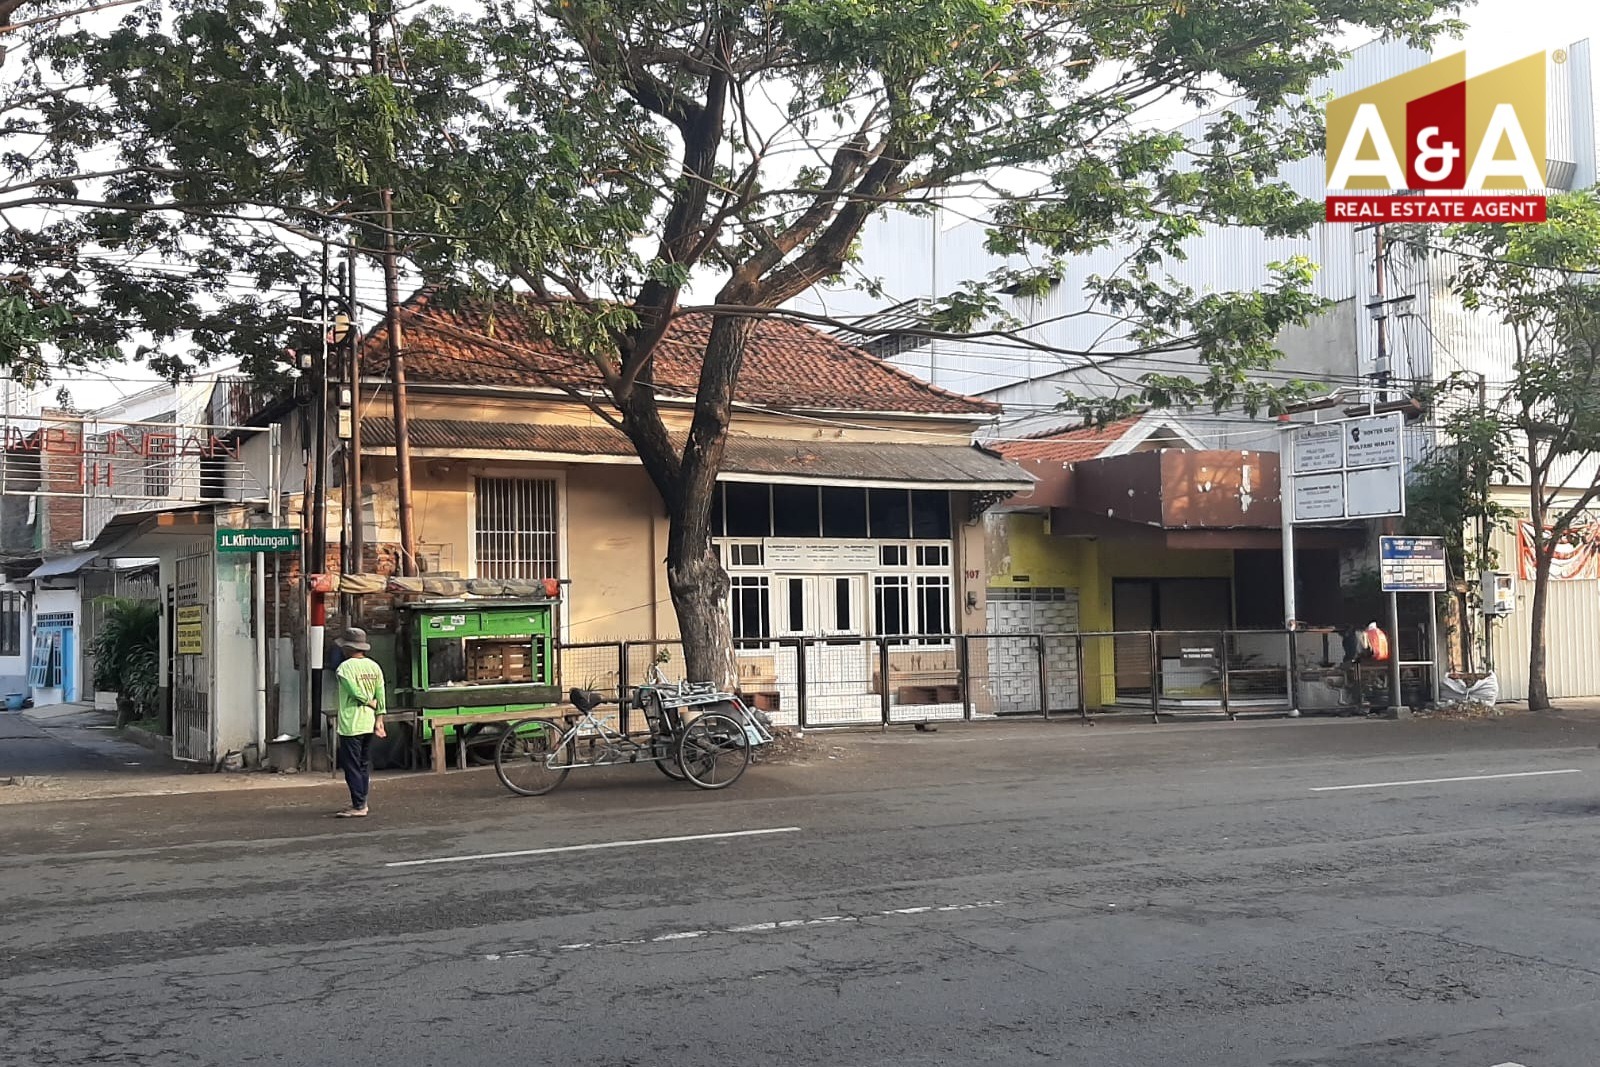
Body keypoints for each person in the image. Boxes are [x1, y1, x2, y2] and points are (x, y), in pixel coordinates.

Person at [334, 627, 386, 818]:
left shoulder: (344, 668)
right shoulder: (374, 667)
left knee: (352, 766)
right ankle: (361, 800)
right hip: (369, 723)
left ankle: (359, 806)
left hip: (351, 724)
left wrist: (367, 701)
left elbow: (354, 692)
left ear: (347, 648)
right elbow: (381, 695)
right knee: (363, 765)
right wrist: (380, 719)